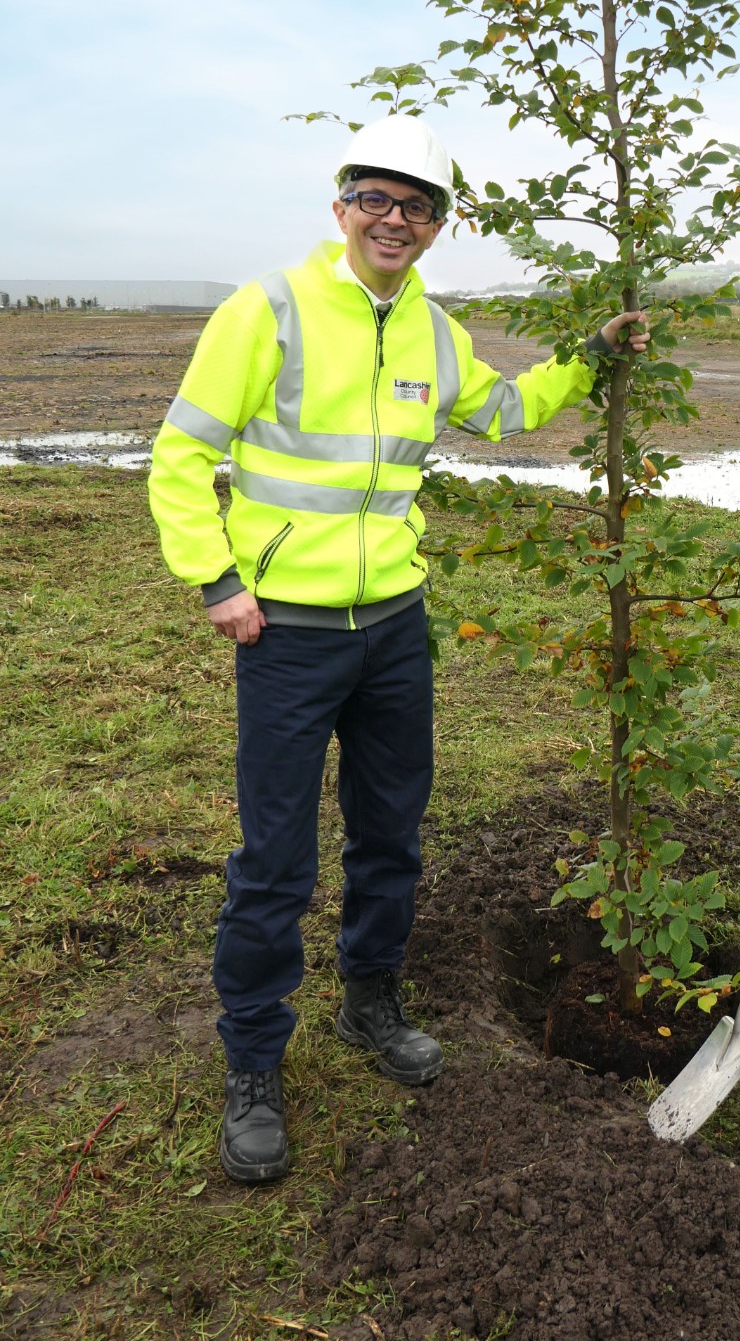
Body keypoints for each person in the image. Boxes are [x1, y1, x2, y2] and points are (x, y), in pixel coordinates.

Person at [149, 113, 646, 1183]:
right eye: (376, 197)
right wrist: (219, 581)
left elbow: (502, 410)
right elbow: (182, 454)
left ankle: (370, 1001)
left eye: (417, 206)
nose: (395, 219)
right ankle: (253, 1063)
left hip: (394, 629)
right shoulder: (268, 308)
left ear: (436, 229)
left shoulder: (429, 326)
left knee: (391, 832)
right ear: (341, 208)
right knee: (275, 857)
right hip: (283, 631)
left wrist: (590, 361)